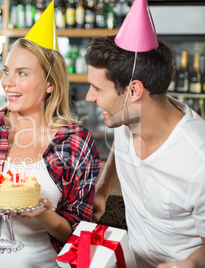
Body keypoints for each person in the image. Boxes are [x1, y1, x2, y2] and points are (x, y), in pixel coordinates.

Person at [0, 7, 101, 265]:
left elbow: (80, 234)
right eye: (7, 71)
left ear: (50, 83)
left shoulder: (76, 142)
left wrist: (42, 213)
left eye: (22, 73)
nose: (8, 82)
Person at [85, 34, 205, 268]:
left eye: (97, 88)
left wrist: (190, 263)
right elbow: (120, 150)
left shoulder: (198, 161)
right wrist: (102, 190)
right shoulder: (128, 118)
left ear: (133, 91)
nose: (90, 96)